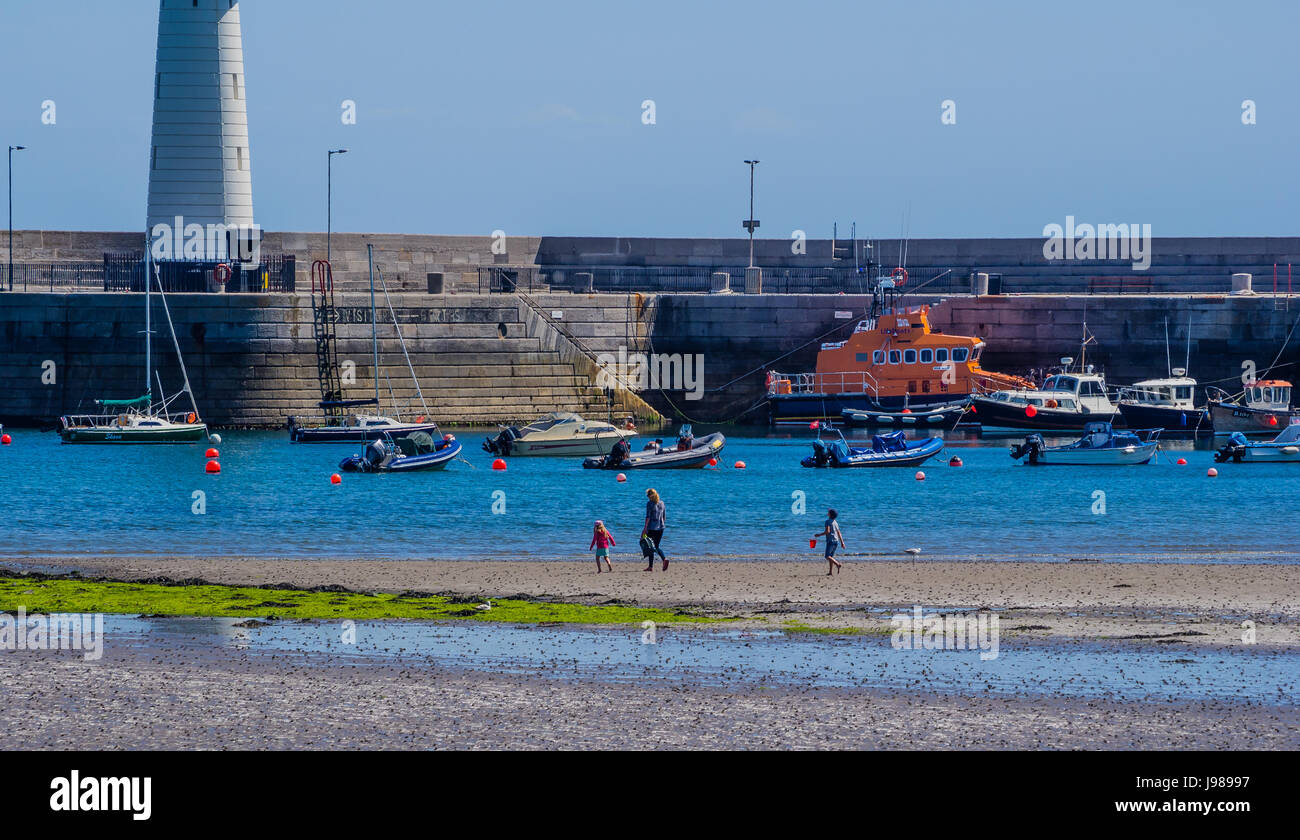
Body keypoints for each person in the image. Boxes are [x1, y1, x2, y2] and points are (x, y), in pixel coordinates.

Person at [642, 488, 667, 571]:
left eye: (648, 495)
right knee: (655, 546)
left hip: (652, 528)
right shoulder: (662, 503)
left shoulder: (650, 504)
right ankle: (664, 559)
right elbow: (664, 517)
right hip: (661, 528)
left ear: (650, 496)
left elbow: (648, 517)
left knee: (650, 547)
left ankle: (651, 566)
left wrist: (645, 528)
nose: (647, 497)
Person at [813, 509, 845, 575]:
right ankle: (830, 572)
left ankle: (837, 564)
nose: (827, 512)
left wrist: (819, 535)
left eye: (828, 512)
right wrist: (842, 542)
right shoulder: (835, 522)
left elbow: (827, 531)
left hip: (830, 541)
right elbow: (839, 533)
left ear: (830, 514)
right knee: (831, 557)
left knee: (827, 556)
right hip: (836, 541)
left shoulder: (827, 521)